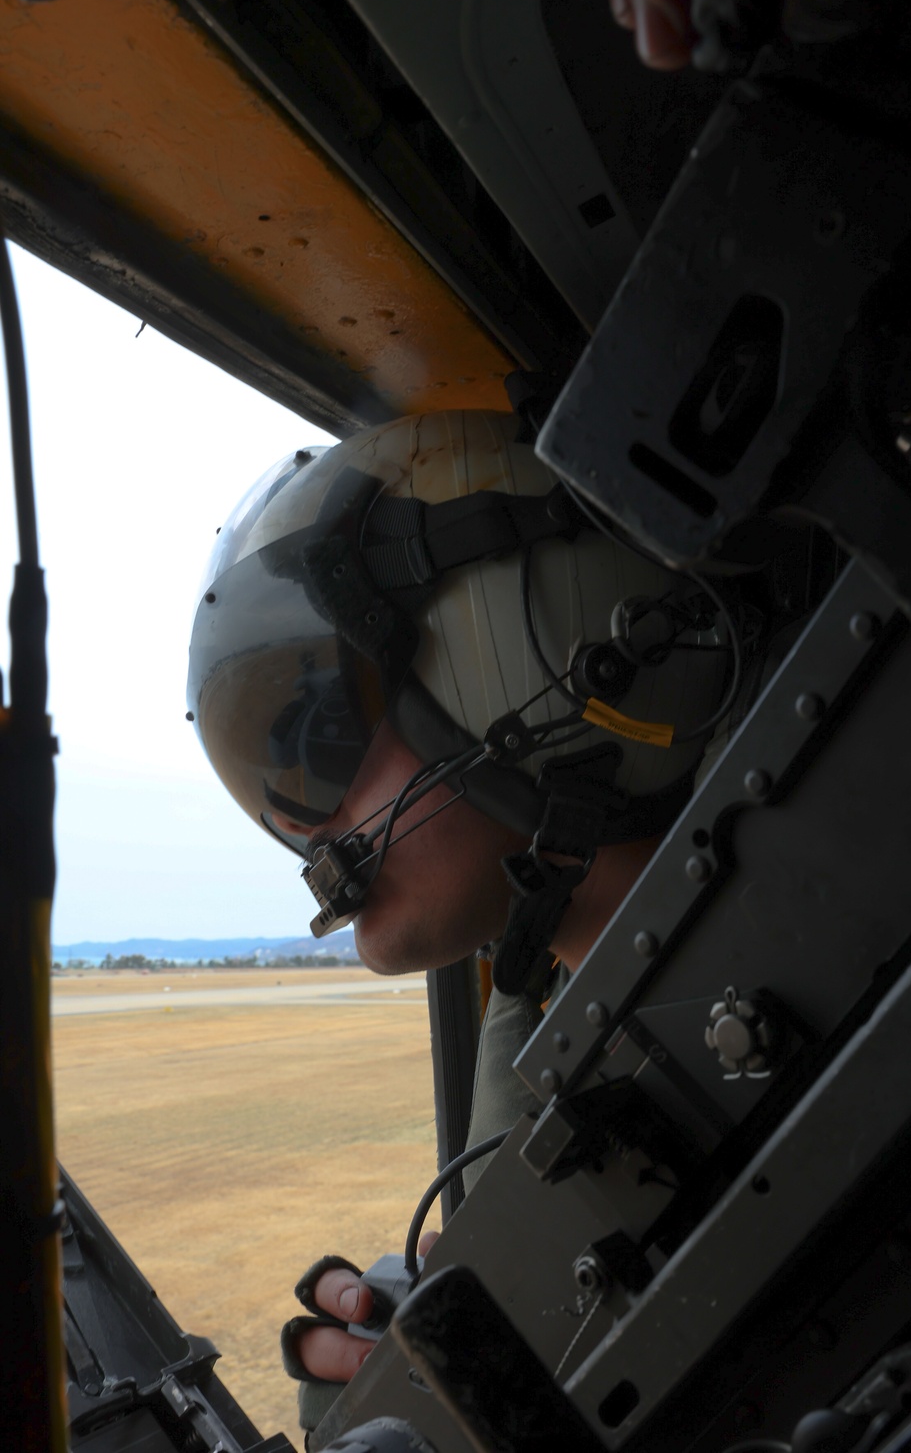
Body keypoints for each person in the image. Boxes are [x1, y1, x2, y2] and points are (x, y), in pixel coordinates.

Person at [186, 408, 738, 1436]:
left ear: (513, 669)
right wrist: (421, 1367)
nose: (303, 828)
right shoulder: (549, 1035)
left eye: (322, 741)